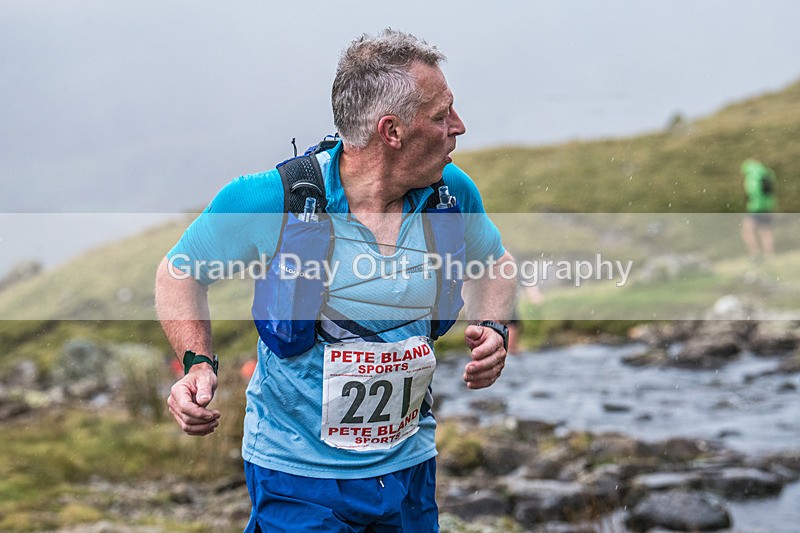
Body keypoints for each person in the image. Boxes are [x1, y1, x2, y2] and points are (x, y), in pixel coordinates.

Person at [155, 29, 516, 532]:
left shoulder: (450, 195)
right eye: (441, 116)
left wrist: (494, 326)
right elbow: (179, 273)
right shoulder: (275, 198)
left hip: (408, 469)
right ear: (392, 131)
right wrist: (196, 364)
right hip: (297, 478)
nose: (459, 126)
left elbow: (496, 261)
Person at [740, 157, 777, 259]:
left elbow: (753, 193)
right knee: (765, 231)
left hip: (755, 208)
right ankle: (769, 254)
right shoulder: (767, 173)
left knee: (747, 230)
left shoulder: (752, 176)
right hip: (768, 207)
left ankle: (754, 253)